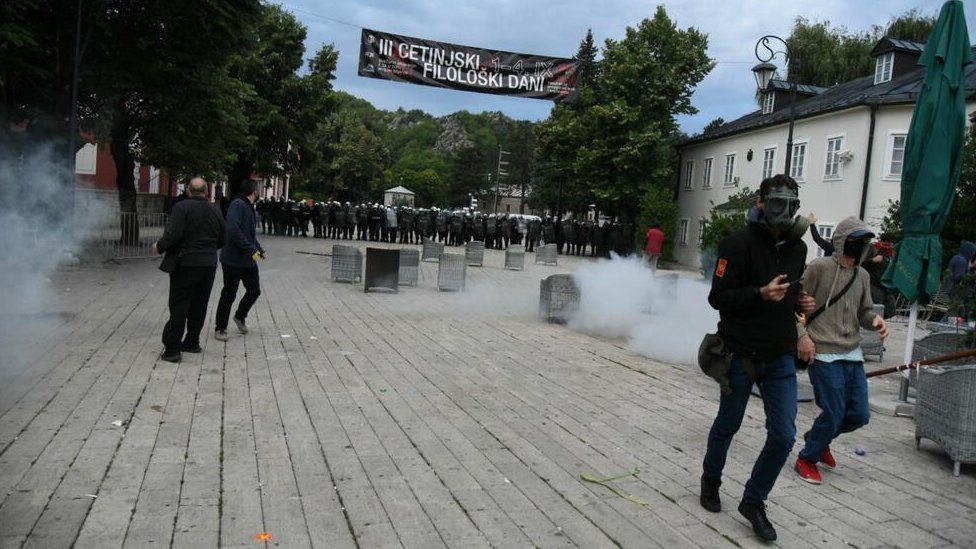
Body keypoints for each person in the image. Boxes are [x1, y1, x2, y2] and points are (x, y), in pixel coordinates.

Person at [700, 174, 814, 542]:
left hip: (780, 354)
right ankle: (711, 480)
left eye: (791, 203)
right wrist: (759, 294)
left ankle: (753, 500)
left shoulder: (799, 250)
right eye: (777, 201)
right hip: (739, 353)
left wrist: (801, 303)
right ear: (761, 202)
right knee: (727, 425)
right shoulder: (736, 244)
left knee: (783, 436)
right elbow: (718, 297)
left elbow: (793, 291)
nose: (784, 210)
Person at [794, 216, 888, 485]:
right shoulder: (819, 268)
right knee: (833, 412)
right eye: (857, 241)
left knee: (860, 414)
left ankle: (818, 438)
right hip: (822, 352)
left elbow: (865, 311)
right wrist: (802, 337)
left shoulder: (863, 275)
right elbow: (794, 305)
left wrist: (876, 321)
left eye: (865, 242)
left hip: (852, 353)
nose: (862, 246)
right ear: (843, 242)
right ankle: (807, 458)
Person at [153, 177, 226, 362]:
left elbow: (173, 234)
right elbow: (224, 238)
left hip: (186, 263)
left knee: (179, 304)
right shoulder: (215, 210)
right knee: (199, 304)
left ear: (188, 190)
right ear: (206, 191)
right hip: (208, 264)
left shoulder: (182, 207)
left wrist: (159, 246)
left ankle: (172, 349)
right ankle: (192, 342)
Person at [214, 179, 265, 341]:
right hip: (233, 259)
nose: (259, 193)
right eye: (258, 190)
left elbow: (250, 234)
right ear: (253, 192)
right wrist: (251, 248)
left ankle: (240, 316)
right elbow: (233, 230)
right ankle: (220, 328)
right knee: (229, 293)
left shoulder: (249, 207)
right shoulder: (237, 205)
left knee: (254, 290)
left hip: (248, 259)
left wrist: (258, 249)